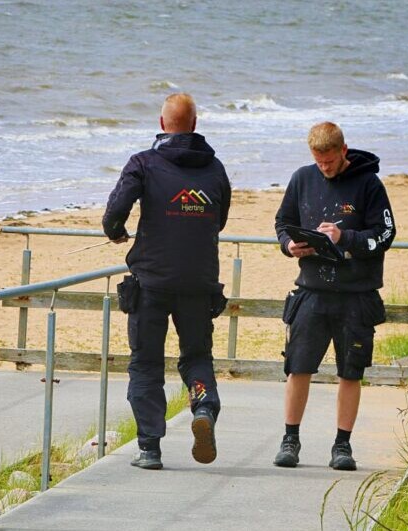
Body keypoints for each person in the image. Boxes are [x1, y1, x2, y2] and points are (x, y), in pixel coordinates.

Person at [102, 93, 232, 470]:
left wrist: (117, 232)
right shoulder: (215, 168)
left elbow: (114, 214)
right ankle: (203, 406)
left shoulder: (144, 163)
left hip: (152, 282)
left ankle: (150, 447)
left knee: (146, 364)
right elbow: (219, 218)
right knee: (196, 357)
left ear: (162, 124)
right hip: (199, 281)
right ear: (194, 124)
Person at [272, 121, 395, 471]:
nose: (323, 167)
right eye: (318, 161)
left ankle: (342, 446)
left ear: (343, 151)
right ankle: (290, 439)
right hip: (311, 291)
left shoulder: (369, 184)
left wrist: (345, 238)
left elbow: (386, 234)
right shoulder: (302, 178)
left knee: (350, 373)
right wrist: (288, 245)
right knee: (298, 368)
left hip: (356, 295)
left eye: (329, 161)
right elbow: (283, 221)